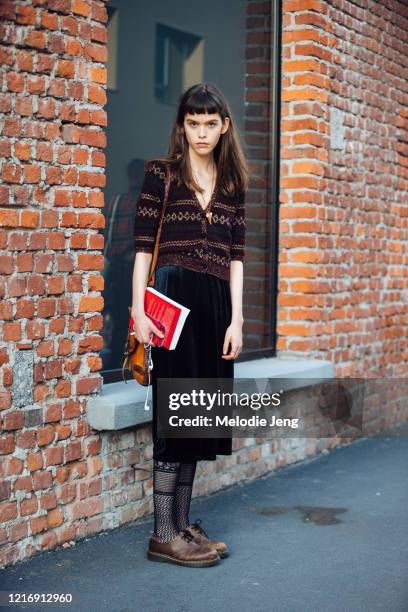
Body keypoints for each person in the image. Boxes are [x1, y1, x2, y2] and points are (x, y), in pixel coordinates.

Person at [132, 83, 248, 567]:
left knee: (197, 414)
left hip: (217, 303)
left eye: (210, 123)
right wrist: (138, 308)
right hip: (173, 302)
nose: (201, 132)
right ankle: (163, 532)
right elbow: (142, 245)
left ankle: (181, 524)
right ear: (183, 126)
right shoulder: (161, 173)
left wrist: (237, 318)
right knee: (175, 410)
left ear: (224, 127)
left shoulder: (232, 182)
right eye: (193, 123)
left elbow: (237, 257)